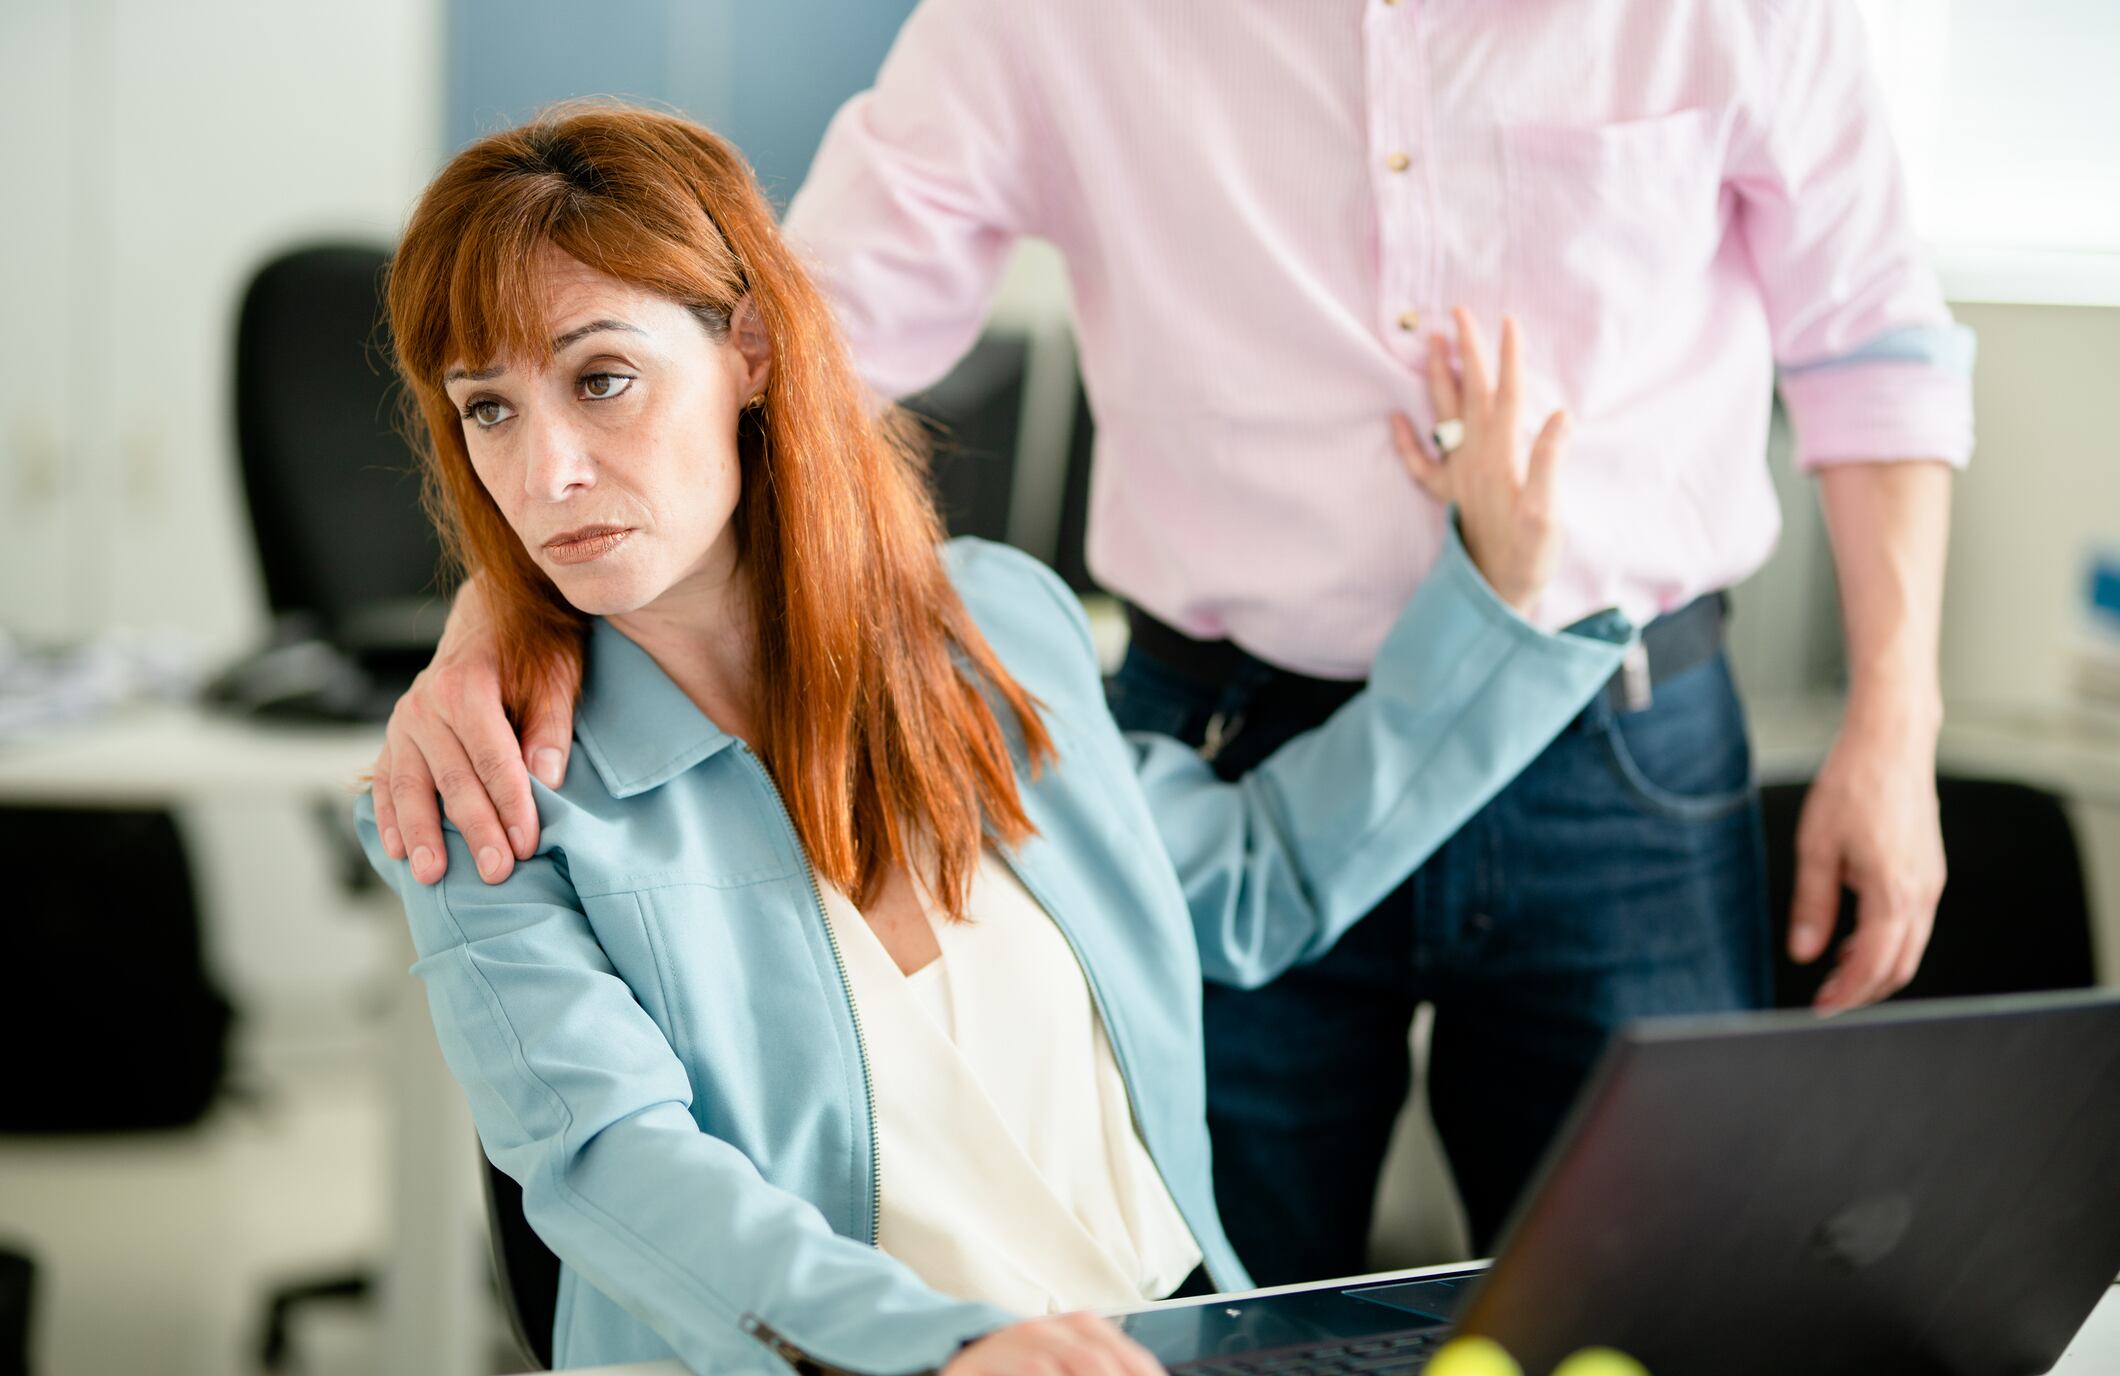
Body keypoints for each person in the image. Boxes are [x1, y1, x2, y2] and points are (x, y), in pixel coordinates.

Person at [371, 1, 1971, 1278]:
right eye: (487, 418)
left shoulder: (1747, 6)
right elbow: (775, 326)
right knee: (1239, 1291)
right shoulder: (1050, 21)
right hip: (1215, 729)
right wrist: (512, 589)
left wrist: (1894, 721)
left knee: (1664, 1304)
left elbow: (1876, 342)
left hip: (1617, 738)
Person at [362, 105, 1628, 1372]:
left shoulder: (994, 631)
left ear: (746, 347)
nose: (545, 474)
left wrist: (1493, 613)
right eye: (488, 410)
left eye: (600, 379)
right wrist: (943, 1347)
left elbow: (1249, 882)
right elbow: (615, 1163)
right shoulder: (485, 801)